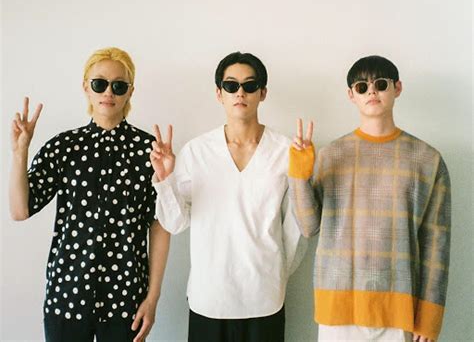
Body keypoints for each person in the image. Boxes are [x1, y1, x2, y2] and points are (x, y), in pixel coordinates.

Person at [9, 47, 170, 342]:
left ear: (130, 91)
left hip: (126, 299)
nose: (108, 92)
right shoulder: (64, 147)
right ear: (86, 87)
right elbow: (20, 210)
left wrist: (153, 297)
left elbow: (160, 224)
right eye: (99, 83)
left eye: (118, 86)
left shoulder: (149, 152)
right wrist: (20, 152)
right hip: (67, 296)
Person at [289, 55, 451, 342]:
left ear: (397, 88)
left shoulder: (427, 160)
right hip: (338, 306)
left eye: (381, 84)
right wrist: (300, 173)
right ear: (351, 95)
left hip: (398, 308)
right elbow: (308, 226)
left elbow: (436, 245)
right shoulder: (331, 155)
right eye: (362, 87)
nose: (372, 91)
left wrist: (429, 319)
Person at [150, 51, 304, 342]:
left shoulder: (286, 151)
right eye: (231, 85)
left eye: (249, 85)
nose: (240, 93)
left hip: (264, 296)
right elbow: (175, 223)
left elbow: (295, 229)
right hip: (209, 297)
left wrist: (275, 274)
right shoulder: (197, 151)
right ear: (219, 93)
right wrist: (165, 179)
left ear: (262, 92)